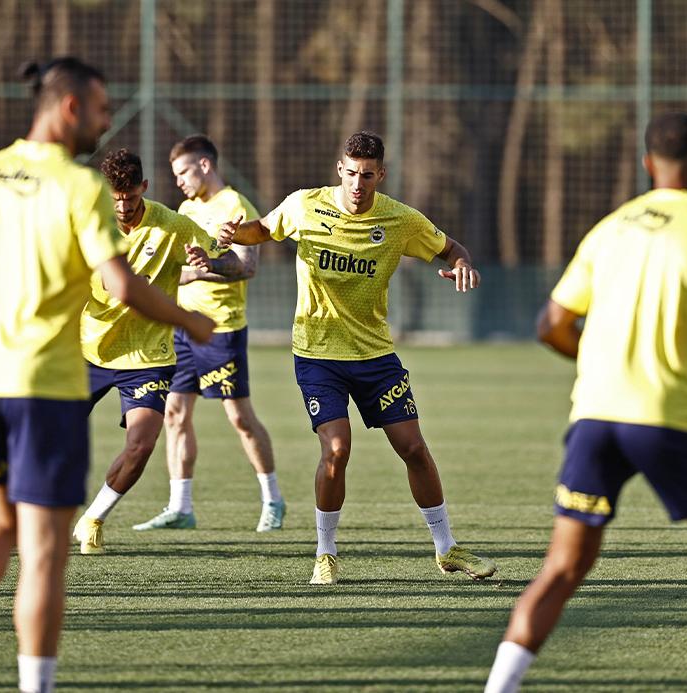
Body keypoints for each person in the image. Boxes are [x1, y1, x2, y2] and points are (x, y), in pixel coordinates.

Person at [0, 58, 214, 693]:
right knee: (43, 550)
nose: (106, 120)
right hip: (46, 384)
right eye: (102, 108)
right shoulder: (78, 186)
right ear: (69, 107)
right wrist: (190, 321)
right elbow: (121, 283)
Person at [483, 112, 687, 693]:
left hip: (595, 417)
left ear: (648, 164)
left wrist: (601, 361)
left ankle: (499, 687)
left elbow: (551, 325)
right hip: (666, 421)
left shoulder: (609, 228)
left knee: (563, 568)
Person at [215, 131, 495, 585]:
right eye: (350, 174)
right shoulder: (305, 205)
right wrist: (235, 233)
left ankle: (447, 549)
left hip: (375, 356)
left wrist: (462, 264)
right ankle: (325, 553)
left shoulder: (400, 219)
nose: (357, 184)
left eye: (367, 175)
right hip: (318, 354)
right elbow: (263, 229)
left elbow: (451, 249)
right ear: (339, 170)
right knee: (337, 450)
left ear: (380, 175)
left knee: (414, 449)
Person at [73, 148, 239, 553]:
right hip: (92, 348)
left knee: (142, 444)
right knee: (44, 438)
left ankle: (93, 519)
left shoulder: (172, 225)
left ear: (143, 187)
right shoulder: (89, 224)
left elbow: (233, 262)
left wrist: (210, 261)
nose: (123, 207)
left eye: (130, 197)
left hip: (149, 357)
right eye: (116, 199)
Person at [131, 134, 284, 533]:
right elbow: (177, 266)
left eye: (183, 172)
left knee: (240, 418)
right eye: (174, 175)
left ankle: (273, 500)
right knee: (174, 414)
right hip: (182, 327)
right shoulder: (185, 210)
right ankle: (180, 507)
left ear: (204, 165)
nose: (179, 181)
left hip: (221, 329)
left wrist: (199, 270)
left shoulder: (235, 206)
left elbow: (247, 267)